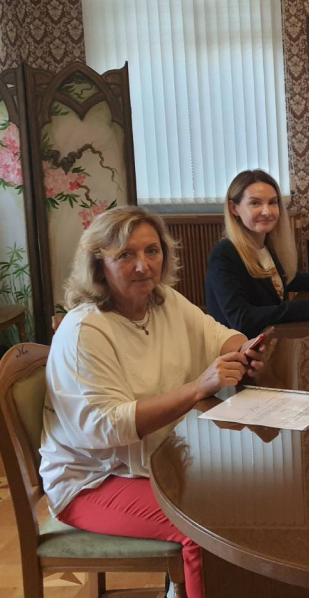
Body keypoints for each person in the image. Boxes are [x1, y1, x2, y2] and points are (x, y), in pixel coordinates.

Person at [39, 207, 267, 598]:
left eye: (152, 251)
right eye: (125, 255)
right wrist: (197, 387)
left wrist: (244, 350)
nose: (143, 265)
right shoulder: (85, 330)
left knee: (245, 493)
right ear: (99, 265)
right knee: (206, 531)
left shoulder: (165, 302)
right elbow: (108, 427)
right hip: (92, 480)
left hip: (156, 461)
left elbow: (218, 336)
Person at [206, 169, 309, 337]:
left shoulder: (266, 244)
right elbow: (242, 319)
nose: (267, 211)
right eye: (255, 203)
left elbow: (284, 279)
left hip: (272, 337)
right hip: (242, 347)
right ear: (233, 208)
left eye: (273, 202)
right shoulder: (224, 254)